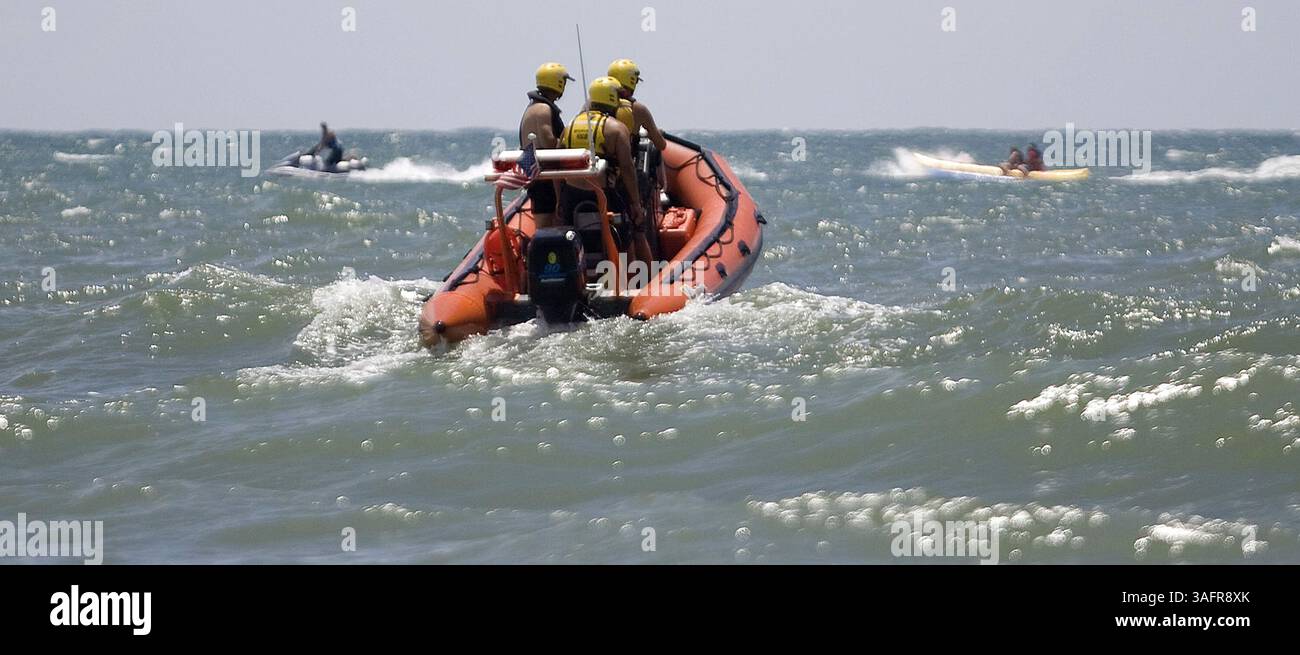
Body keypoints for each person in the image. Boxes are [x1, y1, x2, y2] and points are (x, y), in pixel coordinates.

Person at [559, 77, 652, 267]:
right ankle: (630, 280)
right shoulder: (617, 129)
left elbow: (557, 164)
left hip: (571, 195)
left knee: (569, 241)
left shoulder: (569, 127)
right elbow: (627, 169)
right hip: (604, 195)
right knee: (626, 239)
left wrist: (560, 198)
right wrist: (635, 203)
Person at [519, 63, 575, 228]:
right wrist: (566, 140)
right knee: (548, 224)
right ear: (558, 83)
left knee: (542, 225)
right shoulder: (544, 109)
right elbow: (549, 141)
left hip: (536, 173)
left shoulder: (531, 107)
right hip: (547, 177)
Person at [606, 59, 666, 153]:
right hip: (622, 163)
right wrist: (658, 134)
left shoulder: (589, 105)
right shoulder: (638, 109)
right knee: (656, 153)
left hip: (591, 160)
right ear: (632, 81)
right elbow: (661, 144)